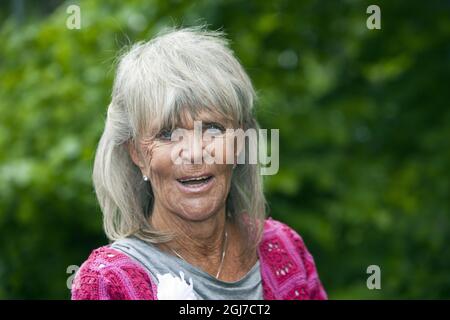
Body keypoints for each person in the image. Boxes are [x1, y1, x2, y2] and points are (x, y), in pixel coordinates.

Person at [71, 27, 327, 300]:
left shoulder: (284, 248)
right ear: (137, 154)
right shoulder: (108, 283)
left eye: (213, 129)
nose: (194, 152)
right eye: (167, 134)